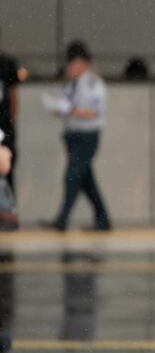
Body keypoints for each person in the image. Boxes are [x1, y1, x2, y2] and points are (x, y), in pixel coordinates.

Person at [41, 41, 111, 231]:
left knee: (72, 176)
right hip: (72, 136)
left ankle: (62, 219)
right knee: (86, 180)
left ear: (82, 63)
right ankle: (103, 219)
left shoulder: (93, 83)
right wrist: (57, 108)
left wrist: (70, 109)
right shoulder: (72, 84)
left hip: (87, 136)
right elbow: (67, 108)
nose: (70, 67)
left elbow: (94, 112)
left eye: (73, 63)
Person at [0, 28, 20, 190]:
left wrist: (11, 122)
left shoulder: (6, 64)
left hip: (4, 126)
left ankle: (8, 213)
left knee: (7, 172)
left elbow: (13, 96)